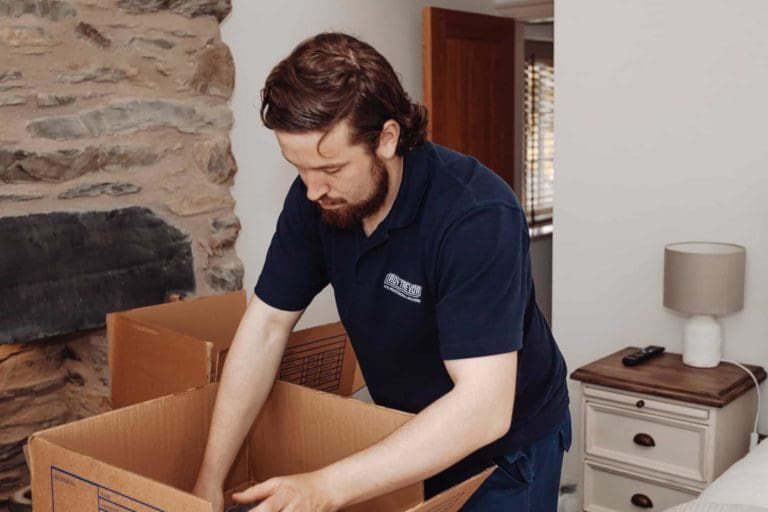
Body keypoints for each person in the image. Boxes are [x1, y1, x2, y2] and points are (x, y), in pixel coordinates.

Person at [193, 32, 570, 512]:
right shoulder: (316, 200)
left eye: (329, 168)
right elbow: (266, 326)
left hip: (505, 451)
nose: (312, 190)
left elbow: (483, 409)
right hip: (406, 431)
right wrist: (208, 480)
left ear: (387, 138)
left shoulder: (475, 216)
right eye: (298, 168)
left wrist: (325, 487)